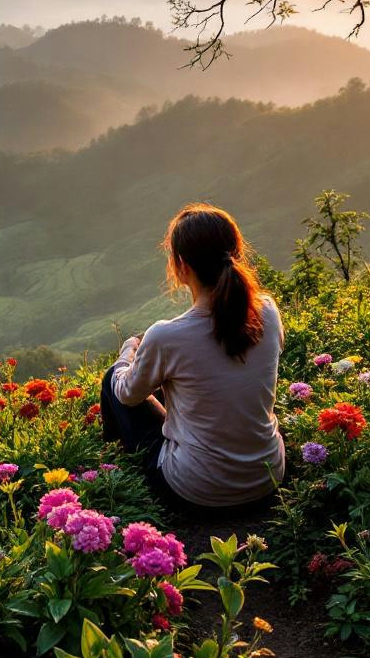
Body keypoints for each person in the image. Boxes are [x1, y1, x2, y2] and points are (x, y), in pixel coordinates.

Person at [101, 203, 284, 510]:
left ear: (181, 265)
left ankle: (109, 468)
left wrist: (130, 349)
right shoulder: (267, 310)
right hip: (267, 478)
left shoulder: (166, 336)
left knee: (114, 378)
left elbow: (128, 395)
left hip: (196, 491)